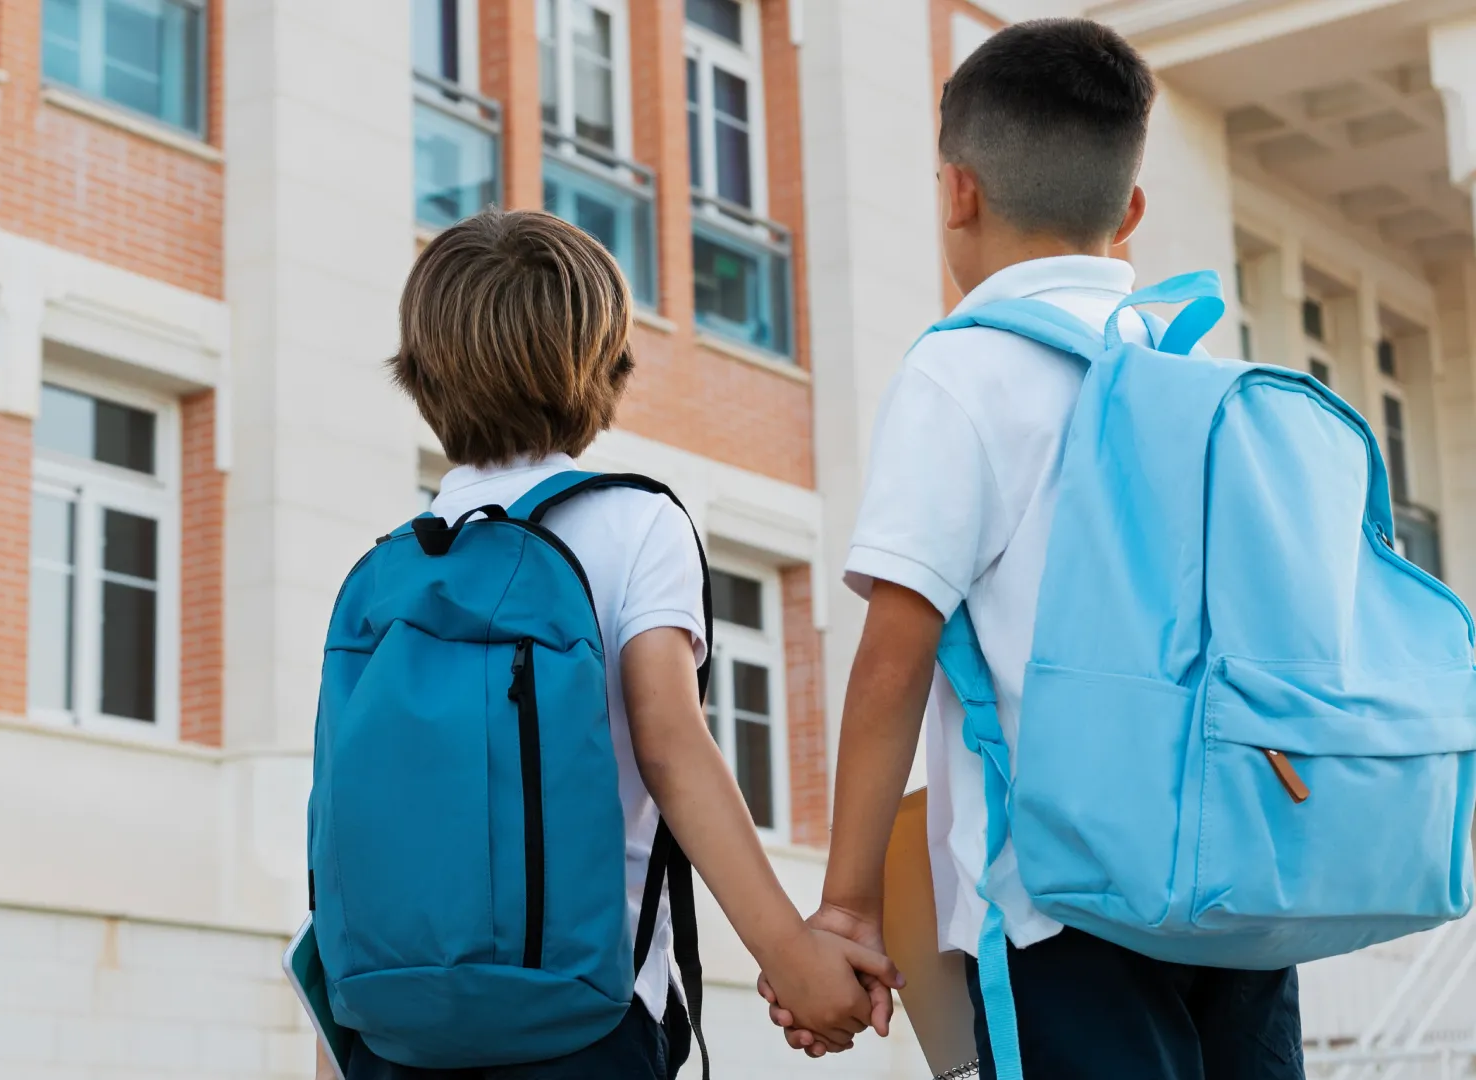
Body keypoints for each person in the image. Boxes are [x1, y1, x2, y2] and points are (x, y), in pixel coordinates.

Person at [761, 18, 1304, 1079]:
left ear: (957, 190)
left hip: (1065, 912)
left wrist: (849, 906)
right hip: (1241, 898)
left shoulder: (961, 375)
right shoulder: (1196, 375)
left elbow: (892, 662)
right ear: (1131, 210)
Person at [350, 208, 900, 1080]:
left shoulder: (396, 560)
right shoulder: (634, 521)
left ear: (419, 373)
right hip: (582, 1018)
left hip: (397, 1030)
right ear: (606, 366)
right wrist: (793, 955)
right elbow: (672, 748)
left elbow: (352, 819)